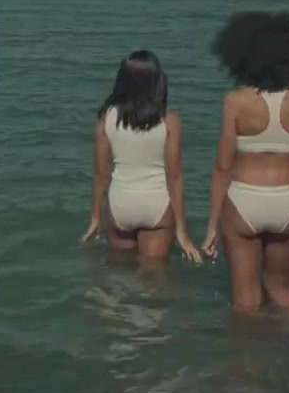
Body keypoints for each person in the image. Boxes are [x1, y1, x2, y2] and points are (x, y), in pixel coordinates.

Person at [201, 11, 289, 310]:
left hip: (245, 200)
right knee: (283, 292)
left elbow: (222, 166)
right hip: (287, 201)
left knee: (245, 301)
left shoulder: (236, 102)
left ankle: (246, 355)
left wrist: (213, 224)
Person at [80, 50, 201, 263]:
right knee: (153, 278)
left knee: (118, 275)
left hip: (120, 205)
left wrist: (96, 217)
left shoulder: (105, 120)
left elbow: (101, 174)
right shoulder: (170, 121)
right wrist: (182, 232)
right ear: (158, 82)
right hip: (156, 205)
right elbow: (174, 177)